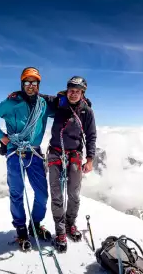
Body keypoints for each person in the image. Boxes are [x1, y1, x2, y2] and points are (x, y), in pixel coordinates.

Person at [0, 67, 54, 251]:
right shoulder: (11, 103)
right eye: (27, 82)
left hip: (34, 152)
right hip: (15, 152)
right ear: (22, 84)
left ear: (38, 85)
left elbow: (65, 106)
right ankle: (21, 229)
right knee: (17, 192)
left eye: (34, 82)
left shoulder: (44, 105)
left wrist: (83, 103)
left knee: (42, 194)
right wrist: (1, 136)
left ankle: (35, 225)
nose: (31, 86)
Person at [44, 76, 97, 253]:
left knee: (74, 194)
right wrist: (20, 93)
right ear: (67, 91)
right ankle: (60, 232)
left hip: (74, 154)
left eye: (77, 91)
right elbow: (37, 96)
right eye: (71, 90)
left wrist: (90, 159)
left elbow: (91, 135)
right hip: (56, 153)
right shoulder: (58, 103)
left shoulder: (87, 112)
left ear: (82, 93)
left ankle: (70, 224)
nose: (73, 94)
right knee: (57, 195)